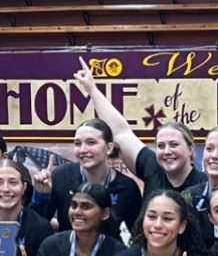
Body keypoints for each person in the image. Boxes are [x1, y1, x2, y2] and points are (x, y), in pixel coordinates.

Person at [74, 58, 207, 201]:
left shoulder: (205, 184)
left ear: (191, 149)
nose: (167, 151)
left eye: (174, 144)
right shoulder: (152, 166)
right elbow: (120, 133)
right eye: (161, 146)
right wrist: (92, 89)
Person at [31, 119, 141, 244]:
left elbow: (138, 236)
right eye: (78, 143)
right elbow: (37, 228)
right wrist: (41, 195)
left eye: (91, 143)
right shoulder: (61, 176)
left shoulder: (127, 187)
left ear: (109, 148)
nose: (83, 150)